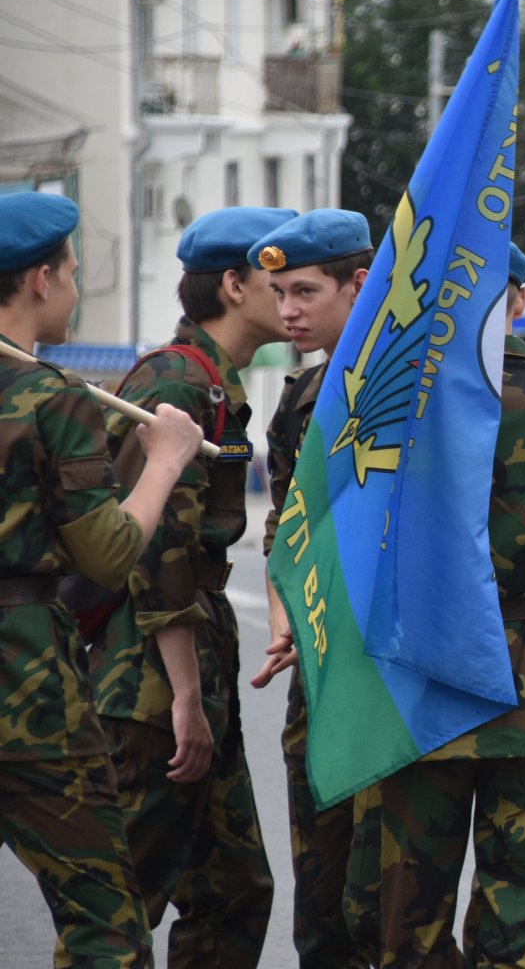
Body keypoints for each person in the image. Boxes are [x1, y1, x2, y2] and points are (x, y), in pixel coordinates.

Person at [349, 238, 525, 967]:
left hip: (418, 674)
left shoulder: (392, 402)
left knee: (409, 907)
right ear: (522, 302)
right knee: (524, 903)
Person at [88, 206, 296, 966]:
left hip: (193, 654)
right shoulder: (176, 380)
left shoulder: (216, 381)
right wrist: (184, 695)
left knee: (234, 888)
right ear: (236, 285)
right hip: (148, 672)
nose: (296, 295)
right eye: (284, 279)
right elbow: (156, 550)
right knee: (119, 906)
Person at [0, 191, 203, 966]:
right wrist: (165, 460)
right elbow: (110, 555)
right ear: (41, 281)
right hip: (27, 692)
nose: (76, 289)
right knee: (105, 922)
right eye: (74, 273)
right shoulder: (50, 399)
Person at [245, 208, 374, 969]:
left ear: (359, 285)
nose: (286, 311)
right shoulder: (298, 400)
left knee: (397, 904)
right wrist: (287, 616)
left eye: (303, 292)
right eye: (278, 293)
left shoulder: (415, 390)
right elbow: (286, 530)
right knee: (321, 893)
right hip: (325, 673)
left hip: (393, 671)